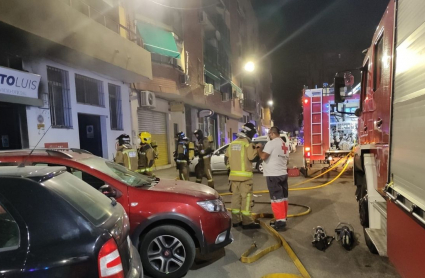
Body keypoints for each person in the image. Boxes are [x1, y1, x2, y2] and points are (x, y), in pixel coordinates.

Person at [225, 123, 260, 229]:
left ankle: (236, 221)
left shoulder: (232, 144)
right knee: (246, 199)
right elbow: (252, 157)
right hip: (245, 178)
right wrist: (257, 149)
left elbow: (226, 159)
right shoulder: (247, 143)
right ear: (249, 132)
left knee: (235, 199)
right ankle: (247, 222)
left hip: (234, 178)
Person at [256, 126, 290, 231]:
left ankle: (280, 222)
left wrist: (259, 148)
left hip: (273, 175)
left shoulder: (272, 143)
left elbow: (263, 156)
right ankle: (283, 218)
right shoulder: (284, 144)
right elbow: (287, 161)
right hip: (283, 173)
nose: (269, 136)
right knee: (283, 198)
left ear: (272, 133)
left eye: (269, 134)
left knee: (276, 199)